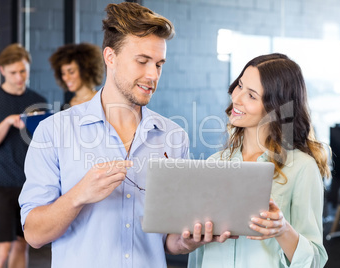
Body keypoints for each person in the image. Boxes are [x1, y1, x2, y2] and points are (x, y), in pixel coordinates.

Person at [19, 3, 216, 267]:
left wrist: (187, 241)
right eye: (142, 61)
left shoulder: (174, 137)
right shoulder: (54, 132)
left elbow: (169, 240)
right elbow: (34, 234)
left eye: (159, 64)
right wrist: (79, 194)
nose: (152, 75)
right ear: (110, 57)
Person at [173, 53, 329, 267]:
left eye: (252, 96)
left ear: (275, 107)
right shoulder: (214, 162)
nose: (236, 98)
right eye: (239, 86)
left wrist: (283, 230)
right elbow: (198, 257)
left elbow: (315, 260)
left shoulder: (301, 168)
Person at [0, 43, 46, 268]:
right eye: (13, 72)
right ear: (2, 70)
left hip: (30, 187)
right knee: (2, 249)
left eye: (23, 71)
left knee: (22, 245)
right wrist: (7, 122)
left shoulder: (38, 100)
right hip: (2, 187)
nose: (19, 77)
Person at [49, 42, 104, 109]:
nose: (66, 77)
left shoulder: (103, 101)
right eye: (63, 73)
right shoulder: (65, 108)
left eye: (71, 72)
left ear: (85, 71)